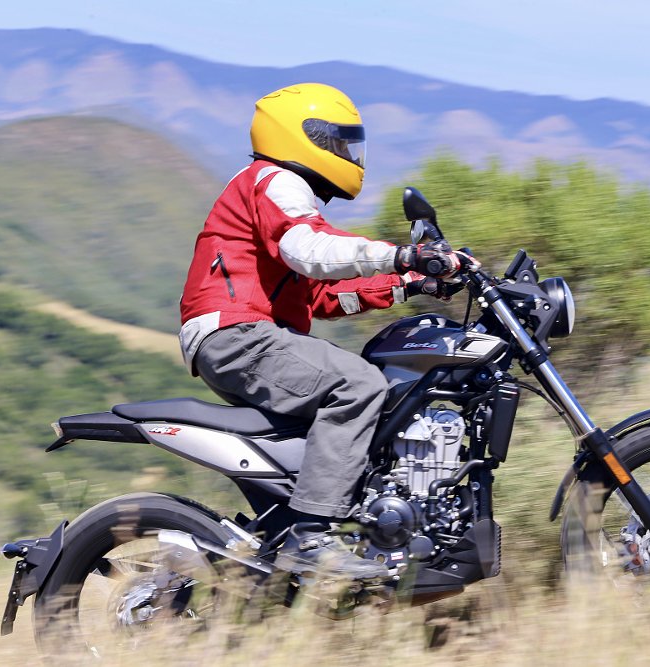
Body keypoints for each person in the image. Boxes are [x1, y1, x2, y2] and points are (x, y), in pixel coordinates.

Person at [178, 83, 464, 579]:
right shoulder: (273, 180)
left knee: (375, 391)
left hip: (247, 332)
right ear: (303, 137)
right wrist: (401, 254)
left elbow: (323, 295)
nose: (349, 155)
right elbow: (310, 250)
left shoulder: (279, 195)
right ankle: (310, 539)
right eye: (339, 143)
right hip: (237, 332)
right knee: (357, 385)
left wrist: (412, 282)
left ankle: (318, 524)